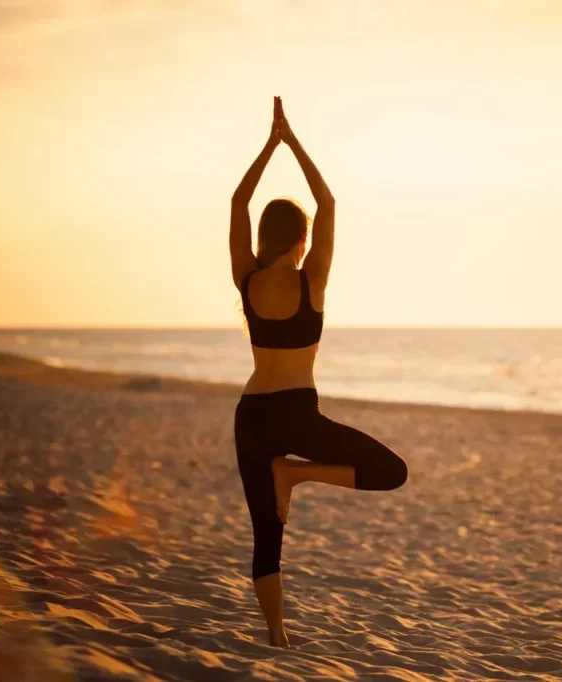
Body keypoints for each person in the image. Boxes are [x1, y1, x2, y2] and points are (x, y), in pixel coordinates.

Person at [230, 96, 408, 648]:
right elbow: (327, 199)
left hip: (253, 414)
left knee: (267, 533)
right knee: (390, 470)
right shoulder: (314, 282)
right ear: (302, 240)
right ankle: (299, 473)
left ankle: (277, 636)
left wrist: (267, 147)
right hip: (297, 417)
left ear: (266, 236)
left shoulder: (247, 279)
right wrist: (291, 141)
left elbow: (239, 201)